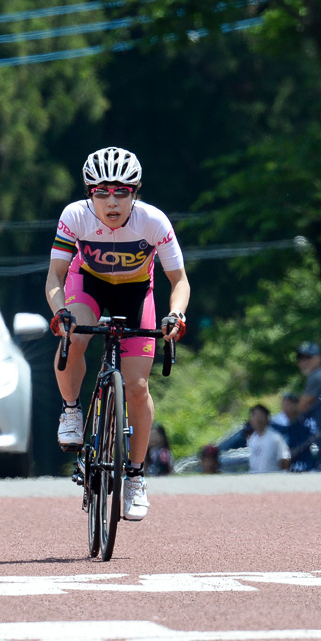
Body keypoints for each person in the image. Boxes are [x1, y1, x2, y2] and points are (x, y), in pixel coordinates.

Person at [46, 147, 190, 521]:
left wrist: (176, 314)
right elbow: (56, 277)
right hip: (87, 284)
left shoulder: (153, 222)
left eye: (121, 192)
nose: (112, 202)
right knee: (74, 338)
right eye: (101, 192)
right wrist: (60, 311)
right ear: (89, 192)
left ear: (136, 191)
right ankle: (72, 411)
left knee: (138, 387)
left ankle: (136, 477)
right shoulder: (74, 216)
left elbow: (179, 281)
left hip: (135, 291)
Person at [246, 403, 290, 473]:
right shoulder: (252, 439)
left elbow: (284, 460)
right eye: (255, 415)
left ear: (267, 419)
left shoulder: (275, 438)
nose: (258, 419)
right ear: (251, 420)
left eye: (261, 415)